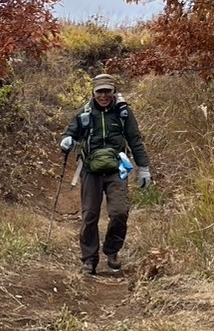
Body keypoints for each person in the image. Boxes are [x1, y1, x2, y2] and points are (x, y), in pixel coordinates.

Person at [59, 74, 151, 275]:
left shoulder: (123, 113)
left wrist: (144, 168)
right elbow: (69, 134)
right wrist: (66, 141)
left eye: (107, 91)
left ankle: (112, 251)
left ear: (113, 92)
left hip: (117, 169)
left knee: (120, 212)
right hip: (90, 170)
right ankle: (89, 259)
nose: (103, 96)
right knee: (89, 215)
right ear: (93, 92)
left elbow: (135, 140)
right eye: (99, 91)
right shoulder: (84, 113)